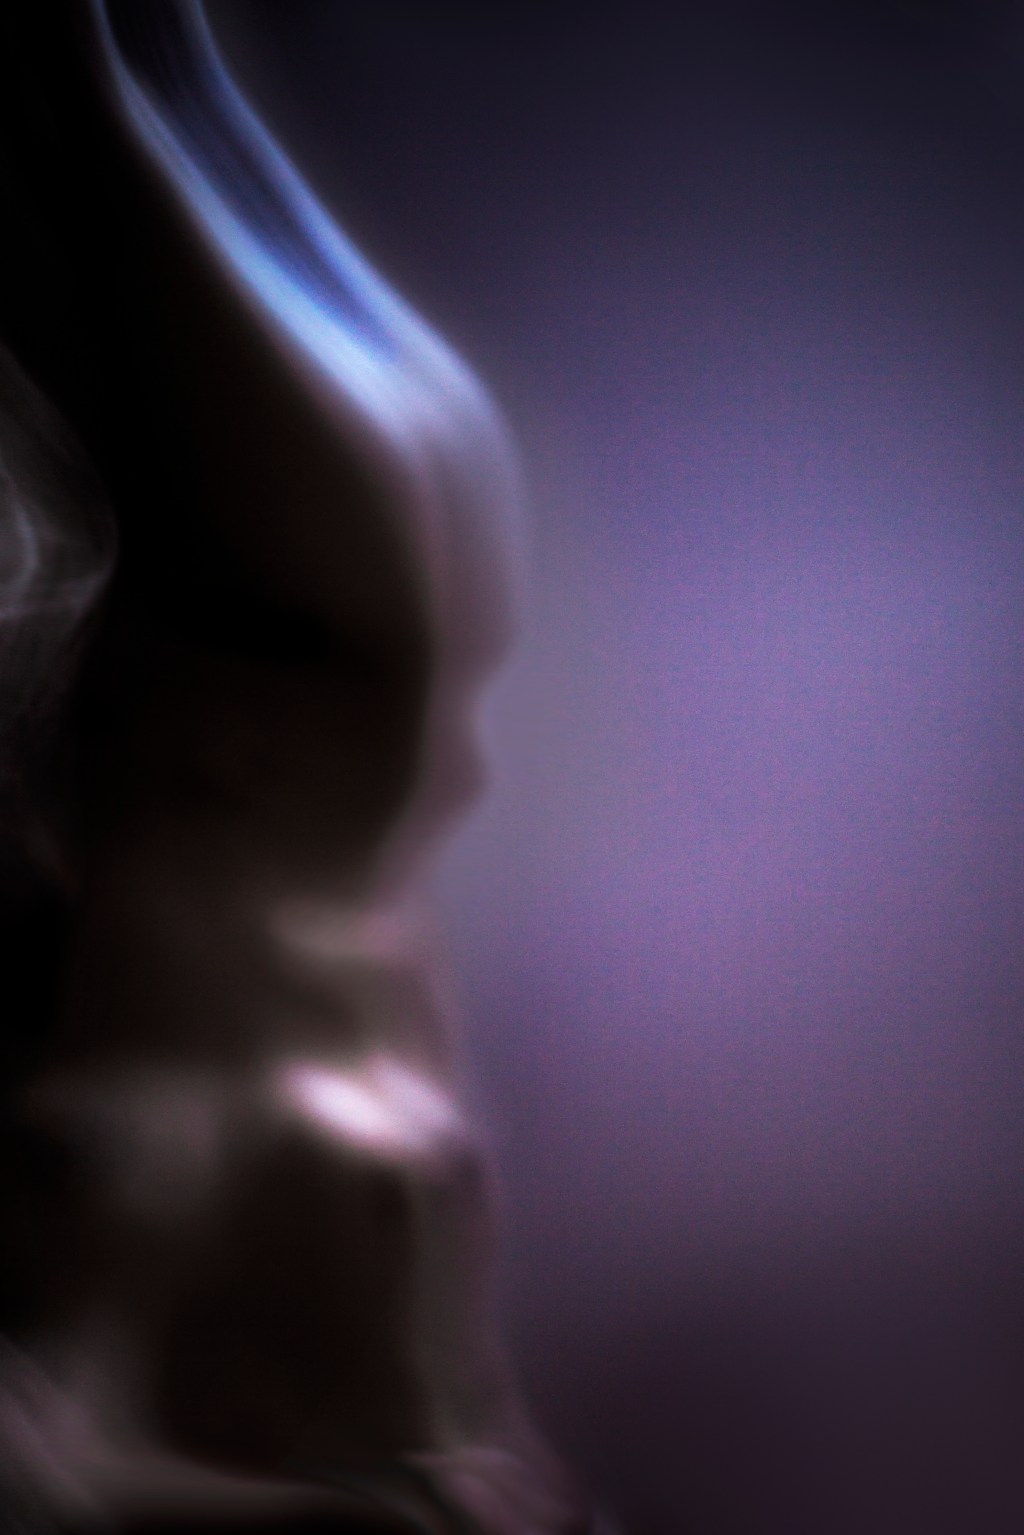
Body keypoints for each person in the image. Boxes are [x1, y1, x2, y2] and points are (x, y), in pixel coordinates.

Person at [0, 3, 605, 1529]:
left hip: (277, 650)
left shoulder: (116, 1280)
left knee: (84, 81)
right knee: (111, 66)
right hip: (369, 655)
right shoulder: (436, 1430)